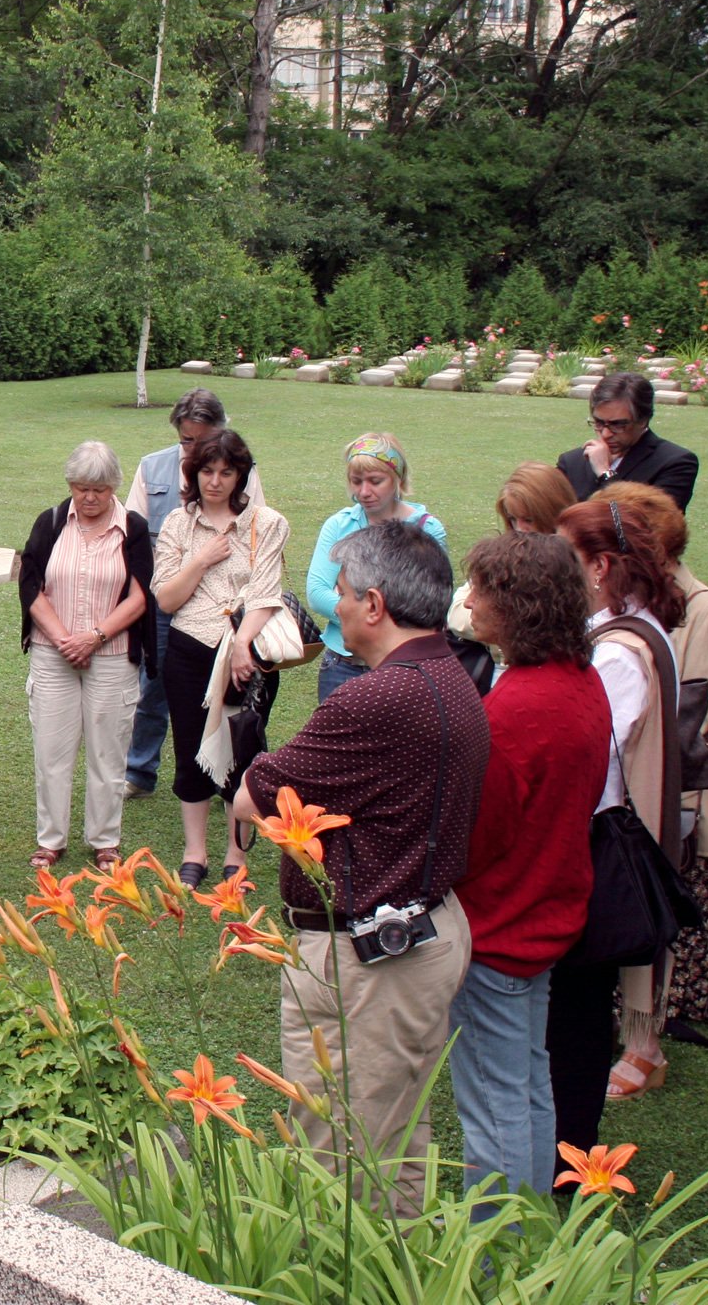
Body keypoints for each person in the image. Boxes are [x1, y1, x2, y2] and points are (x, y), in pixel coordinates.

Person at [232, 520, 491, 1215]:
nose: (334, 607)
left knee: (346, 1161)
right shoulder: (449, 673)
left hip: (371, 960)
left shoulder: (377, 699)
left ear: (375, 605)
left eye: (342, 594)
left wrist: (252, 729)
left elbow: (251, 800)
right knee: (393, 1144)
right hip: (420, 930)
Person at [445, 532, 609, 1197]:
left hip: (500, 928)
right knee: (530, 1082)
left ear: (521, 607)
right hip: (548, 912)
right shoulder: (580, 679)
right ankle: (533, 1230)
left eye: (482, 589)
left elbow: (477, 837)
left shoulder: (516, 708)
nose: (471, 601)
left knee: (494, 1107)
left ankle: (496, 1264)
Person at [546, 495, 687, 1146]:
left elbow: (589, 763)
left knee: (573, 1013)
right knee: (575, 1011)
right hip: (596, 842)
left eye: (564, 556)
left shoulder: (614, 654)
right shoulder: (643, 627)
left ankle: (569, 1151)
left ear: (600, 566)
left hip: (592, 847)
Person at [599, 481, 708, 1035]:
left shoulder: (705, 609)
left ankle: (645, 1045)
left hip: (675, 796)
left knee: (659, 933)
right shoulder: (621, 610)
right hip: (630, 794)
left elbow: (693, 716)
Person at [151, 429, 288, 889]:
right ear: (194, 473)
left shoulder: (267, 523)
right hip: (189, 651)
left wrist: (243, 646)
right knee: (191, 753)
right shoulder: (177, 524)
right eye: (207, 471)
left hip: (246, 654)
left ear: (240, 475)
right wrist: (201, 560)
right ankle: (196, 852)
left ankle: (235, 851)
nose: (215, 481)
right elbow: (167, 598)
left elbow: (267, 594)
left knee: (241, 750)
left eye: (226, 472)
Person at [17, 442, 155, 873]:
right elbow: (30, 586)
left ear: (113, 486)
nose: (89, 498)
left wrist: (93, 637)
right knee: (51, 753)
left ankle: (105, 841)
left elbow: (140, 596)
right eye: (80, 488)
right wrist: (64, 639)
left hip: (112, 655)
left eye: (98, 489)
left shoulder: (132, 528)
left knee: (107, 754)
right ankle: (50, 841)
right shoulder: (51, 522)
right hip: (52, 654)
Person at [121, 391, 265, 799]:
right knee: (154, 686)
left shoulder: (245, 471)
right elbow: (134, 535)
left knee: (229, 691)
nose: (197, 451)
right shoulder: (152, 467)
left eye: (205, 439)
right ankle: (139, 770)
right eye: (188, 441)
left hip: (223, 607)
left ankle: (228, 777)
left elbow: (256, 538)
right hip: (166, 601)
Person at [306, 433, 445, 702]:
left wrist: (353, 608)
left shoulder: (427, 529)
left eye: (375, 481)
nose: (364, 492)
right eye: (356, 482)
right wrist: (390, 619)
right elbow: (317, 592)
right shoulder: (339, 525)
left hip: (406, 667)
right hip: (344, 665)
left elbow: (432, 604)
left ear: (398, 479)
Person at [448, 461, 576, 639]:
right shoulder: (508, 554)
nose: (520, 530)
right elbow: (457, 614)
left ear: (553, 514)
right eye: (513, 519)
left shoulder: (576, 562)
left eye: (529, 520)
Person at [556, 372, 698, 509]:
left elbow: (648, 525)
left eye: (617, 424)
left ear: (642, 420)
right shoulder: (571, 462)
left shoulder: (675, 463)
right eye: (598, 422)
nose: (605, 434)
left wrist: (605, 473)